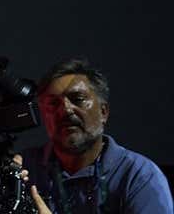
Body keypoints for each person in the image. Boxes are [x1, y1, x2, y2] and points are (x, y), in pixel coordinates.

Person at [19, 58, 173, 214]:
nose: (65, 110)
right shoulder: (26, 167)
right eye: (53, 104)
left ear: (103, 112)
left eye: (77, 99)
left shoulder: (139, 176)